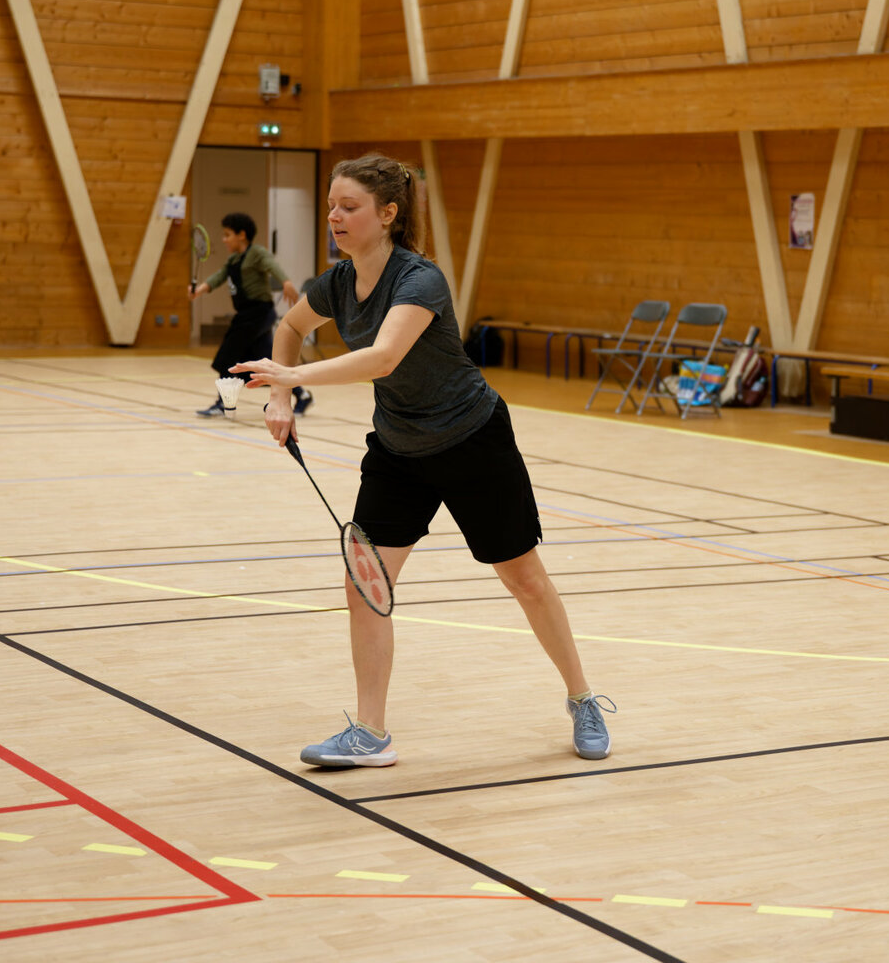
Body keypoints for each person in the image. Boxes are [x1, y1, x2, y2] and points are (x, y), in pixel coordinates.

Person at [231, 154, 614, 765]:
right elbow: (290, 329)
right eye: (331, 206)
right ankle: (371, 732)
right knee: (365, 584)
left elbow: (383, 356)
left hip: (472, 440)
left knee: (524, 579)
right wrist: (280, 396)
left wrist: (293, 377)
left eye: (349, 207)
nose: (334, 217)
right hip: (398, 448)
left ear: (388, 214)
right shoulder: (336, 283)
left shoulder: (419, 279)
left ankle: (582, 697)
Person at [190, 212, 311, 417]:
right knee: (267, 362)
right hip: (246, 315)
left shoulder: (257, 253)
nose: (224, 239)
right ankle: (303, 394)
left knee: (228, 356)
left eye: (227, 235)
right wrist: (199, 290)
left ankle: (222, 404)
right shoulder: (232, 260)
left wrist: (286, 282)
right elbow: (218, 277)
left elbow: (272, 265)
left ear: (242, 235)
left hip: (259, 314)